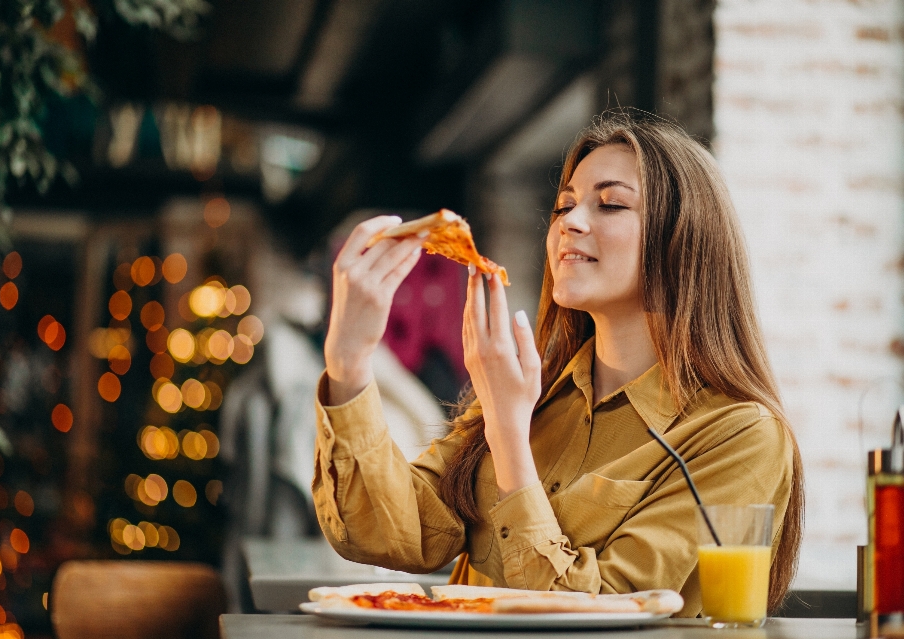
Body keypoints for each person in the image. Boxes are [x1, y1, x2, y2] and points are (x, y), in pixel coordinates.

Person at [311, 112, 804, 617]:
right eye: (564, 205)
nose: (569, 221)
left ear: (682, 240)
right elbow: (387, 534)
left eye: (610, 204)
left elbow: (606, 613)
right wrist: (349, 361)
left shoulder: (741, 437)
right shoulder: (536, 395)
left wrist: (507, 431)